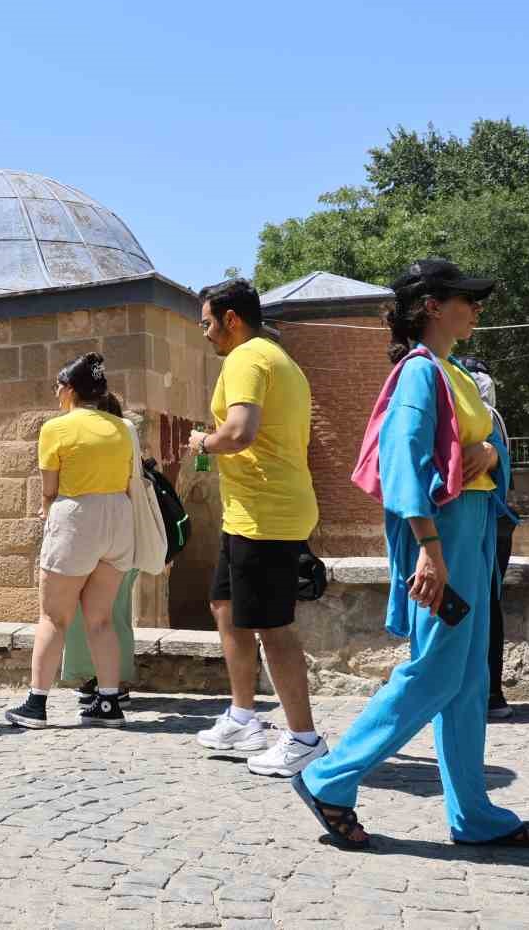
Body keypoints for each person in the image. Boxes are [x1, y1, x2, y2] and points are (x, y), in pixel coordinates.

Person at [292, 258, 529, 850]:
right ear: (432, 306)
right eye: (466, 298)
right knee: (436, 671)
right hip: (444, 537)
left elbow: (473, 449)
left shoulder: (452, 369)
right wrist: (429, 551)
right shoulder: (419, 373)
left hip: (470, 532)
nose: (477, 308)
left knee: (466, 679)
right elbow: (404, 463)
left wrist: (487, 453)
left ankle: (472, 814)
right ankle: (328, 777)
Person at [188, 278, 326, 778]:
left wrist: (202, 442)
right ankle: (244, 717)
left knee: (273, 626)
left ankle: (304, 738)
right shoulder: (277, 358)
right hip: (249, 511)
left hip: (266, 514)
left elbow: (239, 432)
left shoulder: (247, 358)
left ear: (231, 319)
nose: (203, 334)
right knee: (225, 606)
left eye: (206, 323)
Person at [5, 353, 137, 730]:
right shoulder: (122, 428)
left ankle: (37, 703)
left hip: (77, 517)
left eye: (58, 386)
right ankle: (109, 701)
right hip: (117, 517)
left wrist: (47, 508)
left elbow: (50, 487)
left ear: (70, 390)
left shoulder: (56, 429)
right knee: (100, 619)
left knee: (53, 616)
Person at [62, 392, 143, 707]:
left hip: (100, 530)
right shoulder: (126, 432)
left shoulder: (120, 431)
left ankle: (105, 680)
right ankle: (105, 680)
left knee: (98, 612)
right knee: (110, 612)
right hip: (122, 530)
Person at [458, 355, 516, 720]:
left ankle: (486, 692)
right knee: (485, 604)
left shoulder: (483, 419)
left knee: (480, 604)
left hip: (483, 522)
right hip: (491, 522)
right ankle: (488, 692)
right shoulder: (492, 416)